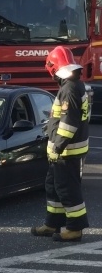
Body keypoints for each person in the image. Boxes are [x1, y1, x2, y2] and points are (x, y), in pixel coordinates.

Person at [31, 46, 89, 242]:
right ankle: (52, 223)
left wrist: (57, 147)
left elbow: (69, 123)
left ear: (54, 67)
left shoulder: (69, 88)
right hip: (64, 151)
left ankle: (74, 229)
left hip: (67, 152)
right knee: (54, 187)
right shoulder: (73, 85)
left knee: (67, 189)